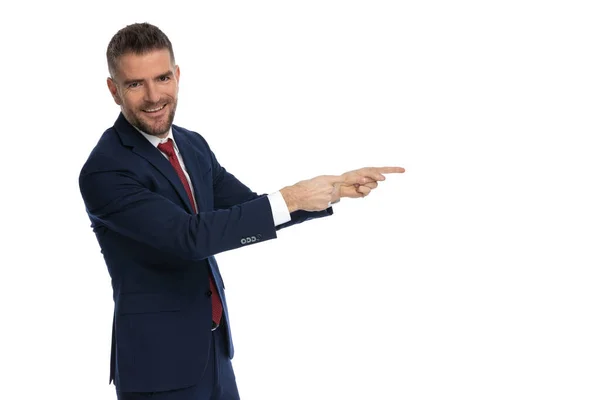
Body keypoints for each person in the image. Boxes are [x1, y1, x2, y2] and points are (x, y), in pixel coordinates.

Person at [78, 22, 405, 400]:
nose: (154, 96)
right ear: (113, 90)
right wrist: (293, 196)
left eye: (163, 77)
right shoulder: (106, 170)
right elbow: (189, 237)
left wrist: (329, 193)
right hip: (157, 368)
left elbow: (246, 207)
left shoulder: (191, 144)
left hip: (213, 350)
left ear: (178, 75)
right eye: (136, 84)